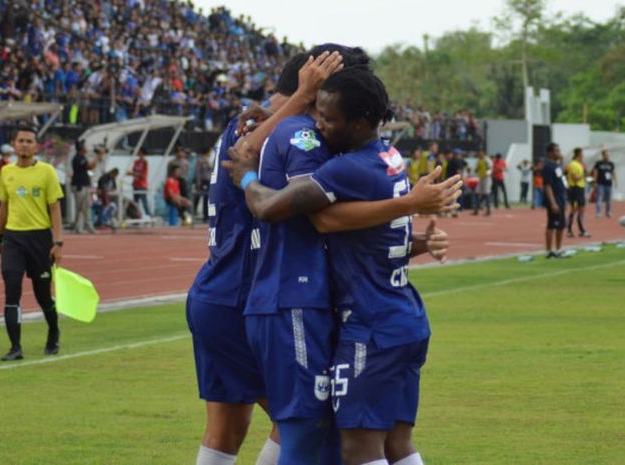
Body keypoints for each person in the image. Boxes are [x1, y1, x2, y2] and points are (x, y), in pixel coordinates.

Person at [224, 65, 461, 465]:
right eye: (317, 114)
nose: (319, 126)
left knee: (358, 447)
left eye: (329, 118)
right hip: (405, 316)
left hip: (371, 326)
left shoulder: (346, 168)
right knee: (397, 443)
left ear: (360, 122)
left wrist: (246, 177)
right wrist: (415, 234)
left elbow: (271, 207)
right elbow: (359, 230)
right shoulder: (389, 154)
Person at [0, 124, 63, 361]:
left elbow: (55, 208)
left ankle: (53, 332)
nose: (24, 144)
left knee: (43, 295)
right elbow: (4, 205)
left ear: (35, 146)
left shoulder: (46, 172)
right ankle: (15, 347)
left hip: (40, 239)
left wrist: (58, 242)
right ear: (14, 145)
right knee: (11, 289)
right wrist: (0, 235)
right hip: (14, 238)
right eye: (20, 140)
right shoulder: (6, 172)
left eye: (29, 141)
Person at [542, 143, 568, 259]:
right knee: (552, 225)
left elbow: (562, 182)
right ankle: (549, 251)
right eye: (556, 151)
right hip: (555, 200)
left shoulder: (557, 166)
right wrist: (553, 202)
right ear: (550, 153)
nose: (559, 152)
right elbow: (547, 186)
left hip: (561, 198)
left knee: (561, 225)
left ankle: (558, 249)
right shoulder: (548, 166)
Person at [71, 144, 104, 234]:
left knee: (84, 207)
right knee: (82, 207)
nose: (86, 148)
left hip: (84, 185)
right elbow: (89, 166)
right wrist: (98, 156)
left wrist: (98, 157)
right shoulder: (78, 158)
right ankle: (84, 227)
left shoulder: (83, 158)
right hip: (79, 186)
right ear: (81, 149)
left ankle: (80, 227)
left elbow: (90, 167)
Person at [565, 148, 591, 238]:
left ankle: (581, 230)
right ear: (578, 154)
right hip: (575, 189)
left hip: (580, 188)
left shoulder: (580, 164)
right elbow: (575, 178)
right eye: (582, 154)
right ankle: (569, 230)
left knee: (581, 209)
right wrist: (583, 175)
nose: (583, 155)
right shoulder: (572, 164)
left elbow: (587, 174)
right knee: (574, 209)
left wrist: (585, 172)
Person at [592, 149, 616, 218]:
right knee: (599, 197)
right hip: (600, 183)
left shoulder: (611, 164)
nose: (607, 156)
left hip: (609, 184)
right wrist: (595, 181)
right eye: (606, 155)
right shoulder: (599, 163)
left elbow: (613, 172)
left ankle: (608, 212)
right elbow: (595, 172)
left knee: (609, 199)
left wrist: (615, 180)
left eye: (608, 155)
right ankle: (598, 212)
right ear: (602, 156)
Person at [128, 147, 150, 216]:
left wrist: (133, 174)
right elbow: (134, 172)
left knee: (144, 201)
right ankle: (136, 215)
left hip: (142, 184)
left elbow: (143, 175)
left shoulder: (145, 162)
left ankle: (148, 215)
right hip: (136, 184)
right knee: (136, 202)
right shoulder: (136, 162)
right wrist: (133, 174)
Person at [194, 148, 212, 219]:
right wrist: (198, 182)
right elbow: (198, 172)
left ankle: (206, 214)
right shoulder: (201, 160)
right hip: (203, 181)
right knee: (203, 197)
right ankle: (202, 214)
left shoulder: (209, 160)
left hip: (209, 181)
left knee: (207, 198)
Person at [473, 151, 491, 216]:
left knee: (486, 193)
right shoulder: (478, 160)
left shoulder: (487, 160)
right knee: (476, 193)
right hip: (480, 178)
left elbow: (490, 168)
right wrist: (475, 171)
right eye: (479, 154)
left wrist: (487, 173)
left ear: (484, 154)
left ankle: (488, 210)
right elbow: (476, 168)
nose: (479, 155)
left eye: (481, 153)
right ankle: (476, 209)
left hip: (486, 178)